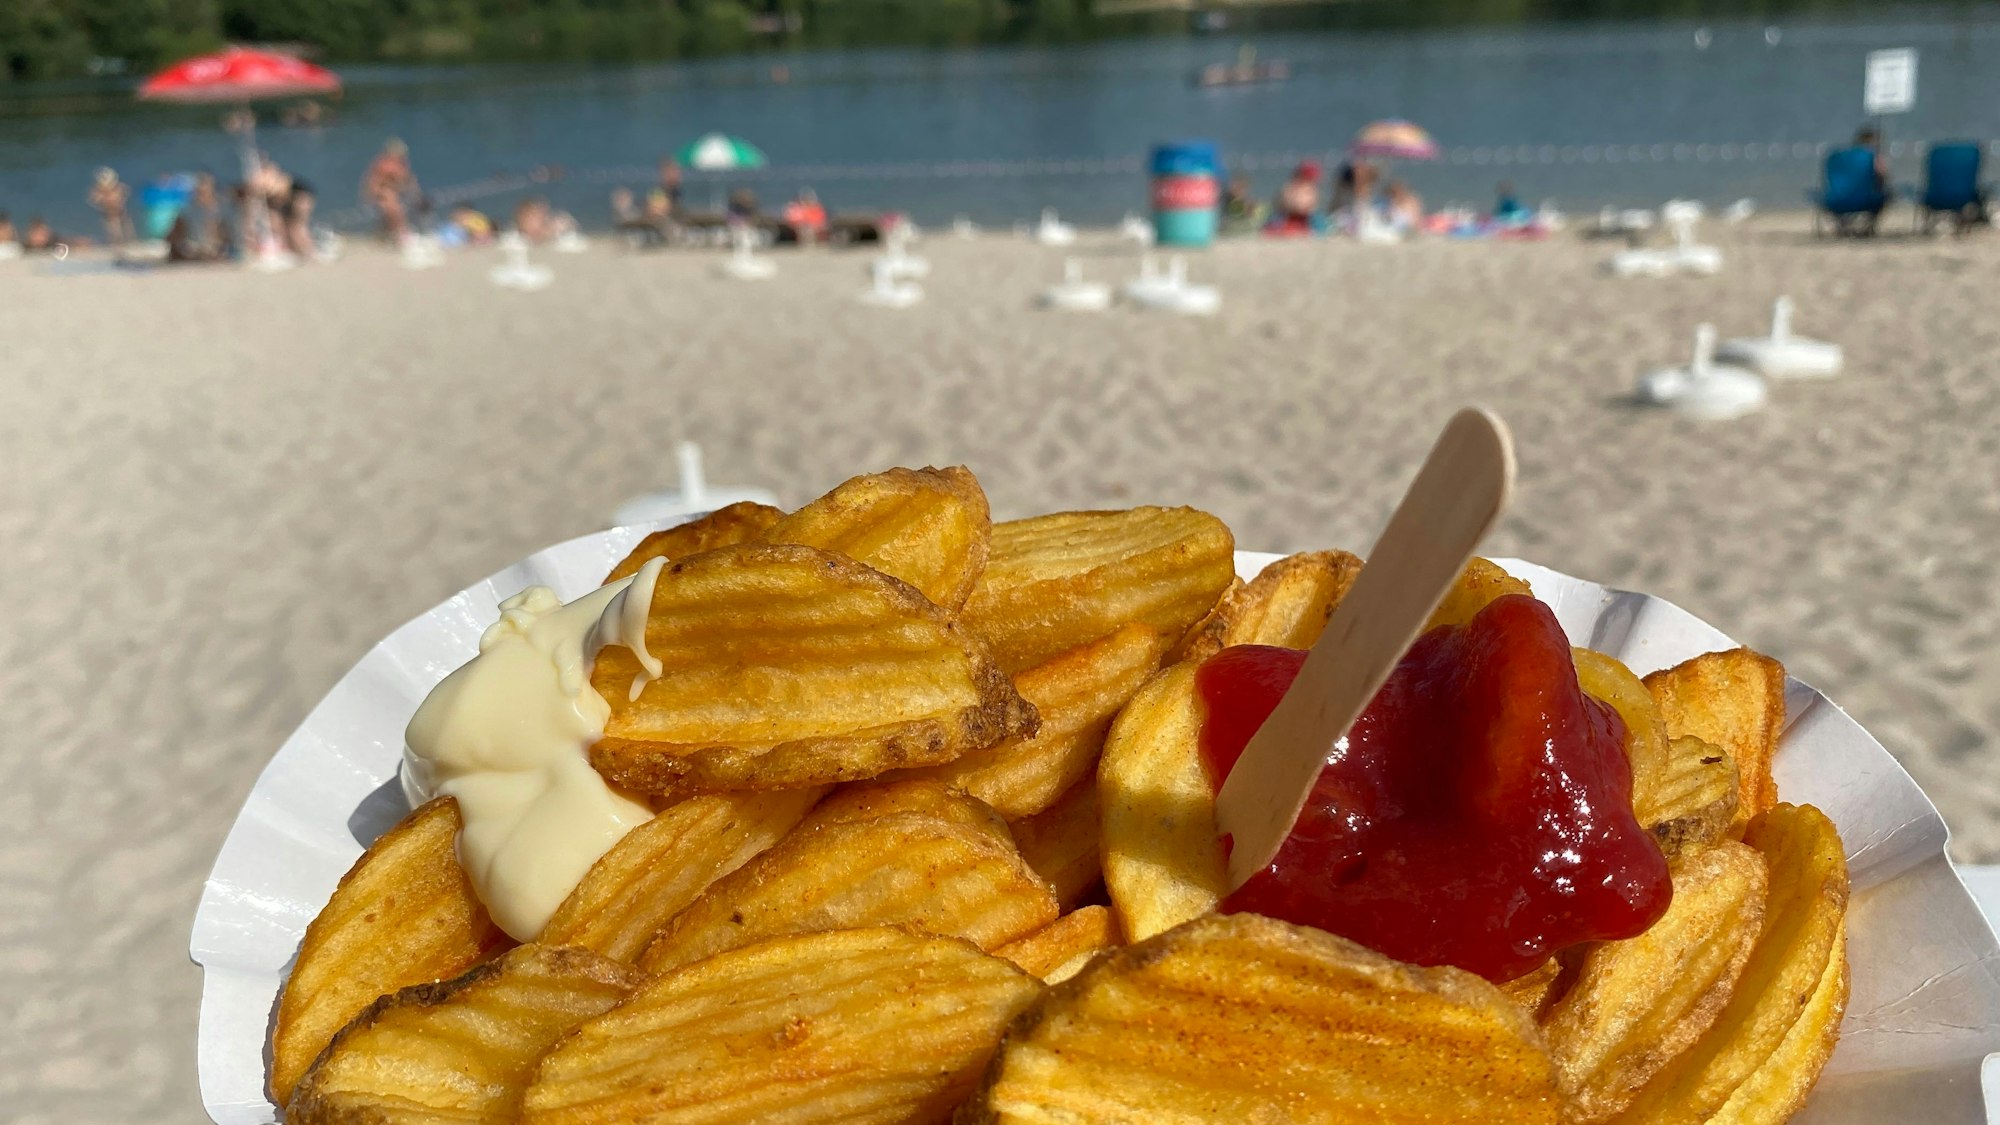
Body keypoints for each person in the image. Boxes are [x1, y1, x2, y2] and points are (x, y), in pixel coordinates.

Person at [362, 138, 419, 244]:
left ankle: (385, 235)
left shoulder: (401, 164)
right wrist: (374, 195)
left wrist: (413, 191)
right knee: (395, 211)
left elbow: (408, 179)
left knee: (393, 213)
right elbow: (374, 182)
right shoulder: (385, 165)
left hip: (395, 191)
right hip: (384, 192)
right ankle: (401, 234)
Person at [168, 174, 232, 261]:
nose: (201, 196)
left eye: (204, 192)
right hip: (193, 246)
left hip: (209, 247)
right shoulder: (188, 210)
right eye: (200, 192)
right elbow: (174, 234)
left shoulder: (219, 210)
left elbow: (226, 235)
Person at [1265, 161, 1324, 237]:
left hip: (1305, 216)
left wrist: (1304, 208)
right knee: (1276, 219)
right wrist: (1299, 207)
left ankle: (1317, 232)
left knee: (1317, 219)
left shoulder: (1310, 188)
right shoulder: (1290, 187)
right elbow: (1283, 202)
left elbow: (1312, 204)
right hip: (1288, 215)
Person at [89, 167, 132, 244]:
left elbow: (126, 192)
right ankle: (116, 242)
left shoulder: (119, 187)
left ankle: (129, 241)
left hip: (119, 209)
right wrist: (102, 202)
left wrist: (120, 200)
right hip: (107, 211)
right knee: (113, 227)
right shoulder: (98, 190)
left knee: (125, 225)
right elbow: (92, 199)